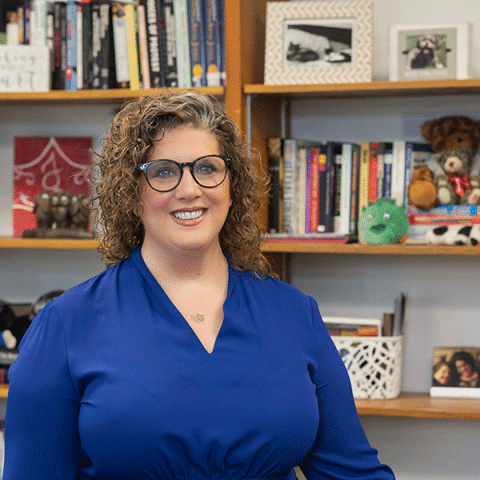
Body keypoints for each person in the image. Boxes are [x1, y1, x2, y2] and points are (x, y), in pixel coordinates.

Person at [3, 91, 395, 480]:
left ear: (231, 184)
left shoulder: (295, 313)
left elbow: (353, 473)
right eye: (163, 172)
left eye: (207, 168)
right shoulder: (66, 325)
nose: (189, 189)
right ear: (131, 193)